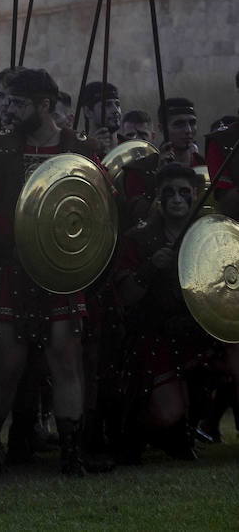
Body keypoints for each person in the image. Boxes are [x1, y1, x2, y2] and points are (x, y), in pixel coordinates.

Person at [0, 68, 104, 477]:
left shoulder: (79, 149)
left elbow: (101, 210)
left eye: (17, 102)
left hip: (63, 272)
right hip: (13, 270)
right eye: (5, 100)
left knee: (65, 358)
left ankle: (72, 453)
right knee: (8, 362)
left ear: (45, 105)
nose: (6, 108)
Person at [111, 164, 215, 462]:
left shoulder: (209, 235)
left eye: (184, 192)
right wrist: (150, 268)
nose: (177, 199)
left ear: (195, 194)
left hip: (199, 335)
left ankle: (187, 428)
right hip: (152, 337)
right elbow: (127, 297)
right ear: (158, 196)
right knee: (168, 412)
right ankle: (143, 430)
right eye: (169, 193)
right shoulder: (138, 239)